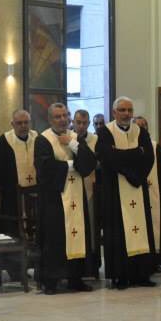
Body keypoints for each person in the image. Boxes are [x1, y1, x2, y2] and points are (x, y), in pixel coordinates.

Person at [34, 103, 97, 294]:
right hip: (55, 199)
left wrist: (72, 144)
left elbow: (88, 164)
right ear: (50, 119)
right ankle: (51, 280)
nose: (62, 120)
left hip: (77, 197)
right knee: (55, 238)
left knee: (77, 235)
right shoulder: (43, 139)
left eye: (65, 116)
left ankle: (75, 278)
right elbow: (44, 168)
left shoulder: (75, 138)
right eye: (57, 117)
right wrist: (71, 165)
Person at [96, 97, 157, 289]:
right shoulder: (105, 132)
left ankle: (142, 274)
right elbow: (107, 158)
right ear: (114, 113)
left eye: (129, 110)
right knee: (118, 232)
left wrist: (124, 159)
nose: (126, 114)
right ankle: (120, 276)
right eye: (122, 110)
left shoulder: (141, 131)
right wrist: (134, 156)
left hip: (137, 187)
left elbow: (148, 157)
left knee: (141, 229)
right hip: (115, 190)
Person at [0, 109, 39, 235]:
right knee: (12, 230)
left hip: (36, 195)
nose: (23, 126)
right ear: (12, 124)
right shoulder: (3, 142)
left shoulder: (38, 139)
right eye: (19, 123)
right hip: (12, 195)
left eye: (26, 122)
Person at [135, 115, 161, 269]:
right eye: (138, 126)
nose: (142, 128)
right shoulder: (127, 145)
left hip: (153, 193)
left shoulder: (154, 146)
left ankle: (154, 260)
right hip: (134, 194)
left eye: (144, 125)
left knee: (154, 226)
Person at [73, 109, 101, 272]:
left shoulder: (95, 140)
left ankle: (91, 263)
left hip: (91, 186)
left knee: (91, 224)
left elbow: (99, 162)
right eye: (78, 123)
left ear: (89, 124)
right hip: (73, 188)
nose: (81, 126)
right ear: (73, 123)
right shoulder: (68, 138)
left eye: (84, 123)